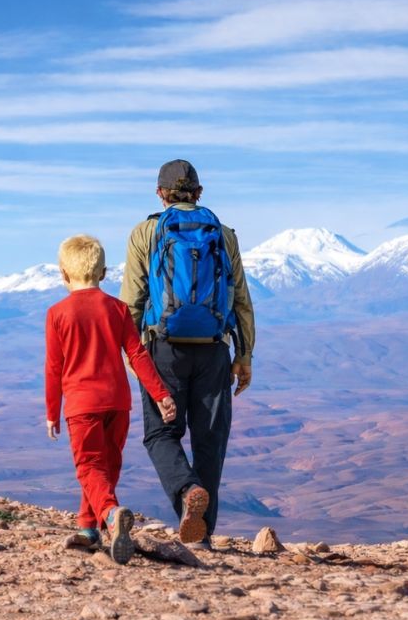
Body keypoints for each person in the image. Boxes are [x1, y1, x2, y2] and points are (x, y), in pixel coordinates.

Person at [119, 159, 256, 547]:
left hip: (162, 350)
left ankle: (185, 491)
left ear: (160, 193)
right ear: (199, 193)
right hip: (214, 351)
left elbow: (132, 300)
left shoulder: (146, 233)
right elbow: (241, 300)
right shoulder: (224, 235)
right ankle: (202, 535)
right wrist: (244, 356)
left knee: (161, 434)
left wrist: (130, 356)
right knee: (210, 440)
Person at [45, 234, 178, 565]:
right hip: (118, 403)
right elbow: (137, 354)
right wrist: (160, 393)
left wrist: (52, 411)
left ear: (63, 273)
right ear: (104, 273)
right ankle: (89, 528)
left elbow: (53, 367)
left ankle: (109, 513)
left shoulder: (58, 313)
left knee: (89, 466)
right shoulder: (117, 309)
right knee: (107, 466)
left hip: (81, 404)